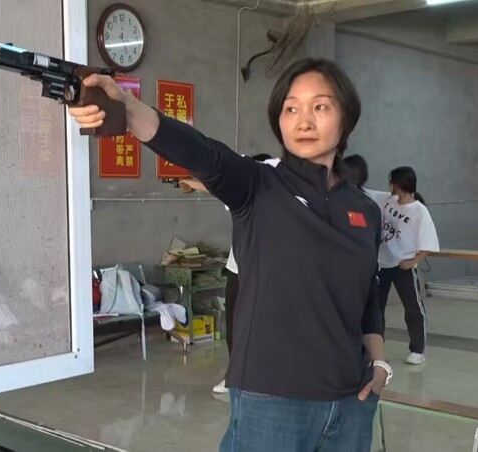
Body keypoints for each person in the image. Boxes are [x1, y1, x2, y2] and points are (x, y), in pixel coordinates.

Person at [68, 58, 390, 452]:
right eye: (291, 109)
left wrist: (379, 364)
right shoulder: (258, 185)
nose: (304, 121)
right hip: (272, 402)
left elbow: (368, 296)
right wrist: (129, 108)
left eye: (320, 106)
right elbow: (203, 154)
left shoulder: (365, 209)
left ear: (347, 118)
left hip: (352, 403)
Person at [179, 153, 273, 395]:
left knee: (263, 326)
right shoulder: (242, 194)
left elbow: (218, 186)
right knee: (234, 324)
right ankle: (234, 376)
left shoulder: (274, 195)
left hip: (265, 272)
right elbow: (218, 187)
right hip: (238, 269)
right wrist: (192, 183)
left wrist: (193, 183)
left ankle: (263, 375)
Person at [365, 167, 439, 365]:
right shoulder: (388, 200)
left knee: (413, 307)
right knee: (376, 308)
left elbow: (429, 245)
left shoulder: (419, 211)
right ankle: (377, 351)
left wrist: (412, 262)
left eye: (391, 182)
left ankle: (417, 350)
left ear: (396, 185)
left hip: (403, 266)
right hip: (382, 264)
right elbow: (365, 192)